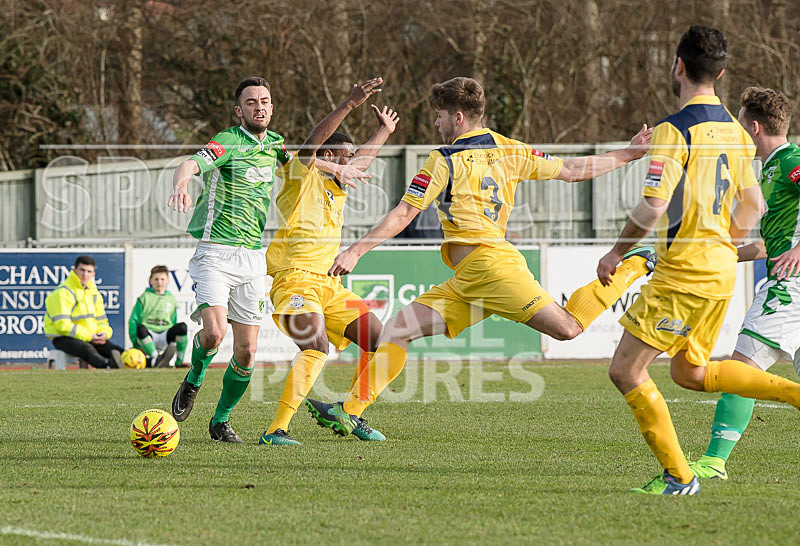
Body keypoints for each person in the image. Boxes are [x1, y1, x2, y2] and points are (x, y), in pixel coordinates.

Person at [305, 76, 655, 437]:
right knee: (397, 330)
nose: (436, 124)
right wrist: (627, 154)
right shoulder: (511, 149)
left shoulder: (444, 159)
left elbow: (404, 213)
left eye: (439, 116)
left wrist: (356, 249)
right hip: (470, 278)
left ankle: (634, 265)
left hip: (493, 269)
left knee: (567, 328)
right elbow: (571, 170)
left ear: (457, 118)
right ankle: (349, 411)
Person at [595, 26, 800, 495]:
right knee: (688, 371)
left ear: (678, 66)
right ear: (722, 72)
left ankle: (679, 475)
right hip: (721, 271)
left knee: (626, 370)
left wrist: (616, 251)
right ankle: (794, 394)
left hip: (684, 273)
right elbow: (752, 205)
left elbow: (651, 206)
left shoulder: (674, 129)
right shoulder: (736, 130)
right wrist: (720, 242)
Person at [168, 76, 376, 443]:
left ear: (272, 107)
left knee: (247, 352)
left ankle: (221, 421)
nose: (259, 107)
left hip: (252, 259)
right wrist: (181, 183)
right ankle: (195, 376)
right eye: (251, 102)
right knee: (215, 333)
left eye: (264, 101)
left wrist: (340, 168)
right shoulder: (228, 141)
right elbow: (191, 163)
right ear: (239, 110)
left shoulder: (276, 145)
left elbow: (305, 161)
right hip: (215, 251)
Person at [259, 88, 397, 446]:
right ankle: (276, 429)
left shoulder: (339, 185)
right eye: (346, 156)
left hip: (329, 285)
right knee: (317, 346)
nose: (354, 163)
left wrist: (383, 131)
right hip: (294, 283)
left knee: (384, 341)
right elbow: (309, 148)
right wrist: (349, 105)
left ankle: (349, 412)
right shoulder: (300, 177)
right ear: (330, 154)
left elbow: (361, 164)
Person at [691, 87, 800, 480]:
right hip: (788, 279)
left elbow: (790, 249)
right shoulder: (770, 169)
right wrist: (725, 253)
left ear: (753, 127)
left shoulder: (791, 160)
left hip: (790, 286)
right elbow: (772, 244)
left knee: (741, 370)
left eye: (739, 125)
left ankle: (713, 461)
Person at [44, 255, 122, 369]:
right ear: (74, 270)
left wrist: (104, 334)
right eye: (82, 270)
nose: (85, 274)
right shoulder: (63, 293)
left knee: (114, 349)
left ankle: (147, 361)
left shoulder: (94, 293)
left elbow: (102, 321)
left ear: (93, 274)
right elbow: (62, 326)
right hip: (63, 338)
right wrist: (89, 336)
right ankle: (107, 366)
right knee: (87, 349)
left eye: (89, 271)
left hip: (90, 336)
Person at [128, 265, 188, 368]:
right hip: (148, 337)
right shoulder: (144, 298)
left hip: (165, 336)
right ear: (150, 281)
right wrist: (135, 344)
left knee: (182, 327)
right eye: (156, 279)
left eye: (162, 279)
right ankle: (155, 358)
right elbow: (133, 321)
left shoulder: (171, 299)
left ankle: (179, 362)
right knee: (140, 328)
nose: (159, 282)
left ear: (168, 281)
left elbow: (173, 321)